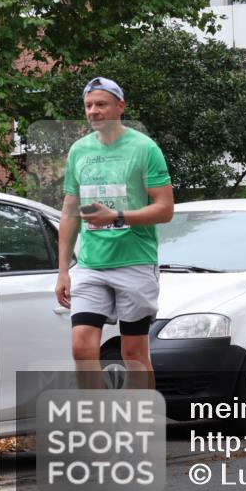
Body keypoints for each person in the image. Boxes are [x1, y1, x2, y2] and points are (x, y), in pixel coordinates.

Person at [55, 77, 174, 390]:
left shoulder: (144, 148)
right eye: (89, 105)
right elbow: (69, 211)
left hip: (134, 261)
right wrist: (63, 270)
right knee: (81, 348)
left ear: (120, 107)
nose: (94, 111)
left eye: (101, 104)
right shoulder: (79, 151)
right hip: (92, 264)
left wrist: (117, 216)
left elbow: (165, 209)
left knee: (133, 353)